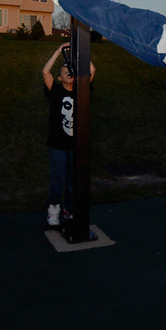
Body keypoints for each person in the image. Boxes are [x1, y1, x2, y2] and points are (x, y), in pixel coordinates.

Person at [41, 42, 95, 227]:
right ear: (60, 77)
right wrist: (58, 51)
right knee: (57, 178)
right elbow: (45, 72)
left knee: (74, 179)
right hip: (57, 144)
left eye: (71, 70)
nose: (68, 72)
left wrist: (78, 55)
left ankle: (69, 209)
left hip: (75, 145)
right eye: (65, 70)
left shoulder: (81, 91)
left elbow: (92, 70)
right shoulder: (56, 92)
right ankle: (53, 210)